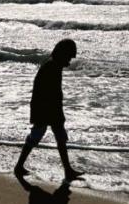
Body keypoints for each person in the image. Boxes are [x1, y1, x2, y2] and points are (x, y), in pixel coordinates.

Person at [14, 39, 84, 181]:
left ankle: (67, 170)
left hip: (47, 107)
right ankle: (19, 166)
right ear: (62, 54)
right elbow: (49, 93)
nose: (70, 60)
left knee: (58, 137)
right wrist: (55, 113)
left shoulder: (54, 65)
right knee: (39, 135)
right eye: (69, 56)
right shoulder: (51, 67)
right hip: (45, 108)